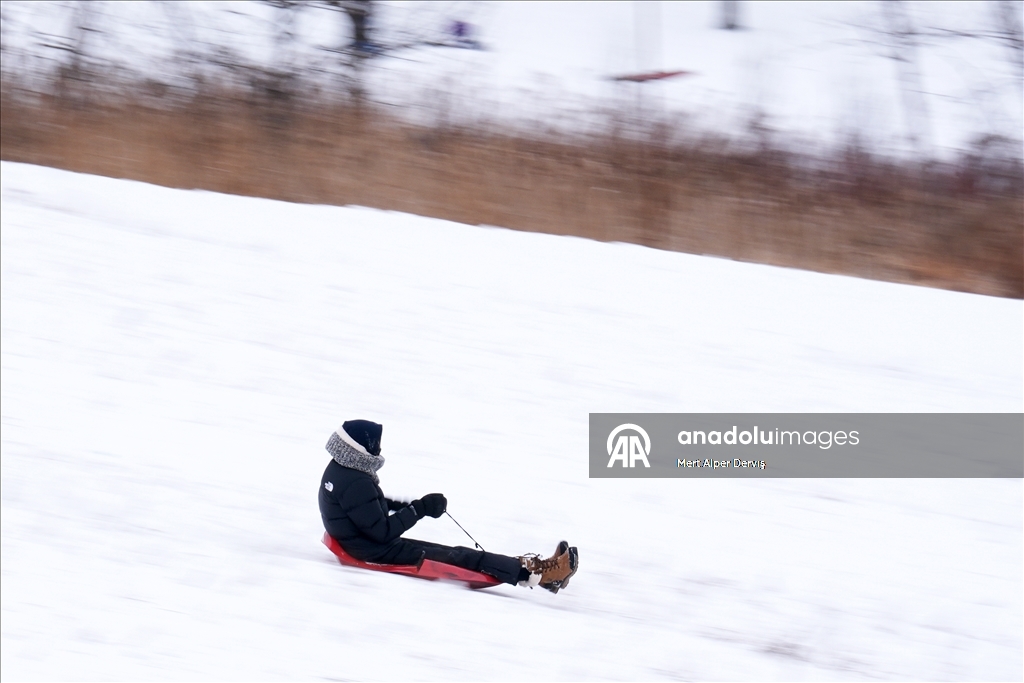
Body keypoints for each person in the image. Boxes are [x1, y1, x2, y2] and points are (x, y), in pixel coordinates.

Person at [319, 419, 578, 592]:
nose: (380, 448)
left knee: (459, 553)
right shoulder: (356, 481)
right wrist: (419, 509)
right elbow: (381, 531)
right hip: (375, 549)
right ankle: (543, 575)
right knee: (461, 558)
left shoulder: (341, 471)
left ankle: (536, 572)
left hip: (364, 544)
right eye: (376, 444)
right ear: (362, 447)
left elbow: (364, 510)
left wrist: (402, 506)